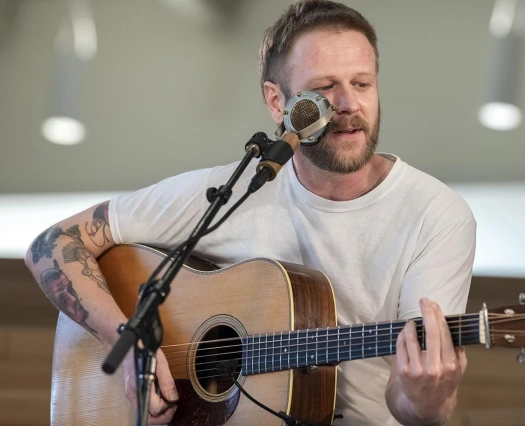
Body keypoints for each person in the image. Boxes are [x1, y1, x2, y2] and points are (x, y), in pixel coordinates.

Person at [25, 1, 476, 425]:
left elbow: (411, 402)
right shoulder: (229, 191)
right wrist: (124, 342)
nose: (347, 104)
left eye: (362, 83)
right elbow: (53, 244)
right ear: (278, 102)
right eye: (323, 89)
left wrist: (427, 399)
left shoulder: (435, 216)